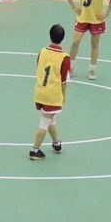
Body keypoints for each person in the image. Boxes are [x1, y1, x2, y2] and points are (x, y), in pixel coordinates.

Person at [30, 23, 70, 160]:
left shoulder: (42, 51)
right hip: (52, 95)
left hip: (40, 91)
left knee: (50, 118)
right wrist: (63, 96)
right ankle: (34, 150)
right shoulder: (64, 57)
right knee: (44, 123)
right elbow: (64, 80)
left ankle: (56, 143)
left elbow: (38, 67)